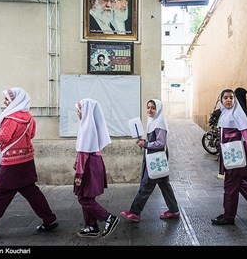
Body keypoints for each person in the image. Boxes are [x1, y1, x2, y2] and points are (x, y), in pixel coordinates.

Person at [0, 88, 58, 244]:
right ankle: (49, 219)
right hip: (26, 161)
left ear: (15, 101)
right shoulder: (28, 117)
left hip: (11, 165)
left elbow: (3, 137)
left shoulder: (11, 119)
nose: (5, 102)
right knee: (32, 193)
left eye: (7, 99)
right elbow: (32, 134)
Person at [212, 89, 247, 226]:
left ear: (235, 99)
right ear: (221, 100)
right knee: (240, 184)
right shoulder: (224, 114)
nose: (228, 100)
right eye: (225, 97)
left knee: (230, 186)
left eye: (231, 97)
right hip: (229, 156)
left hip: (235, 157)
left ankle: (228, 216)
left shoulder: (238, 114)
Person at [120, 99, 180, 222]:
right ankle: (174, 210)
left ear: (158, 109)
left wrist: (145, 144)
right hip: (155, 156)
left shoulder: (159, 123)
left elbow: (160, 143)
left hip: (156, 158)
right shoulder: (153, 121)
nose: (150, 110)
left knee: (147, 184)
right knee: (164, 184)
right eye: (148, 107)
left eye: (153, 108)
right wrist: (144, 142)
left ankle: (135, 213)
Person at [74, 98, 119, 238]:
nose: (78, 113)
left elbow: (83, 153)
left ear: (85, 111)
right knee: (86, 196)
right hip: (94, 164)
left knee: (84, 199)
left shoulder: (86, 128)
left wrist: (79, 175)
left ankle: (108, 218)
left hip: (88, 167)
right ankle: (91, 226)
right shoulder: (90, 127)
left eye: (79, 110)